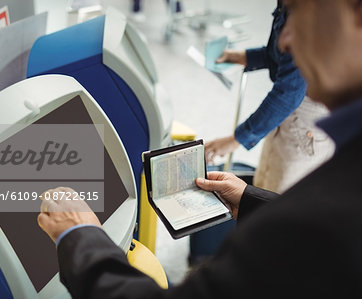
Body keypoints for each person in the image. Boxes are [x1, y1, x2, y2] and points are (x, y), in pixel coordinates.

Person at [37, 0, 362, 297]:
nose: (284, 40)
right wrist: (252, 201)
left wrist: (80, 236)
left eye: (297, 12)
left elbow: (313, 232)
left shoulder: (317, 219)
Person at [205, 0, 334, 193]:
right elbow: (282, 55)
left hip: (305, 116)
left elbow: (289, 92)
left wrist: (234, 140)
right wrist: (242, 56)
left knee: (278, 196)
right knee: (264, 182)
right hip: (289, 110)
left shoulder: (309, 11)